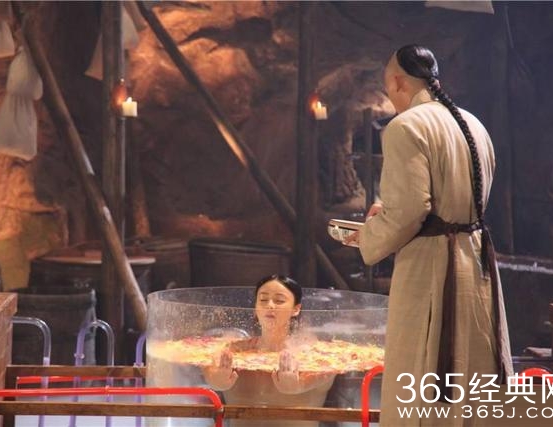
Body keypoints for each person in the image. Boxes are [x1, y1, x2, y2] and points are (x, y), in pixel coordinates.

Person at [347, 45, 513, 426]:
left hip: (434, 268)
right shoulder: (474, 125)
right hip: (476, 262)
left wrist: (369, 236)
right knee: (470, 373)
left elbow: (410, 211)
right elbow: (449, 202)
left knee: (424, 371)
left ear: (397, 82)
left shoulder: (406, 127)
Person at [202, 275, 335, 427]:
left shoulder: (317, 355)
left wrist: (299, 385)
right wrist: (217, 380)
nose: (270, 305)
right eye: (263, 300)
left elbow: (329, 372)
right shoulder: (233, 350)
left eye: (279, 300)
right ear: (255, 308)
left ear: (296, 309)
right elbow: (211, 374)